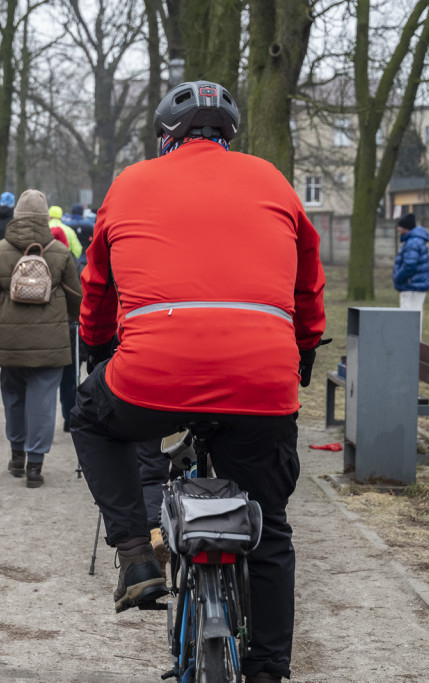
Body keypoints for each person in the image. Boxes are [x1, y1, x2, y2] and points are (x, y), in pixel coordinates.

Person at [69, 81, 325, 683]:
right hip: (261, 378)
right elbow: (308, 283)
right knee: (271, 526)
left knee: (89, 416)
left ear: (167, 138)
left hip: (152, 373)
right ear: (229, 137)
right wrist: (304, 350)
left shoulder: (129, 183)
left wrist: (98, 348)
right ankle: (268, 670)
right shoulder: (272, 180)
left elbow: (98, 284)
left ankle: (135, 554)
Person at [0, 189, 81, 488]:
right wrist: (76, 321)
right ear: (46, 218)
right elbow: (77, 299)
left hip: (11, 341)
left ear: (16, 216)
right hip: (51, 343)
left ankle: (16, 453)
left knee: (14, 398)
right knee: (44, 402)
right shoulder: (60, 252)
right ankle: (36, 464)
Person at [392, 212, 429, 334]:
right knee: (414, 317)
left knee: (409, 319)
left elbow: (409, 265)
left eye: (400, 226)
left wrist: (398, 278)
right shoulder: (416, 240)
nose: (398, 229)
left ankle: (410, 347)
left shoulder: (412, 242)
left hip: (411, 286)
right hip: (416, 285)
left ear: (405, 228)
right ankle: (412, 345)